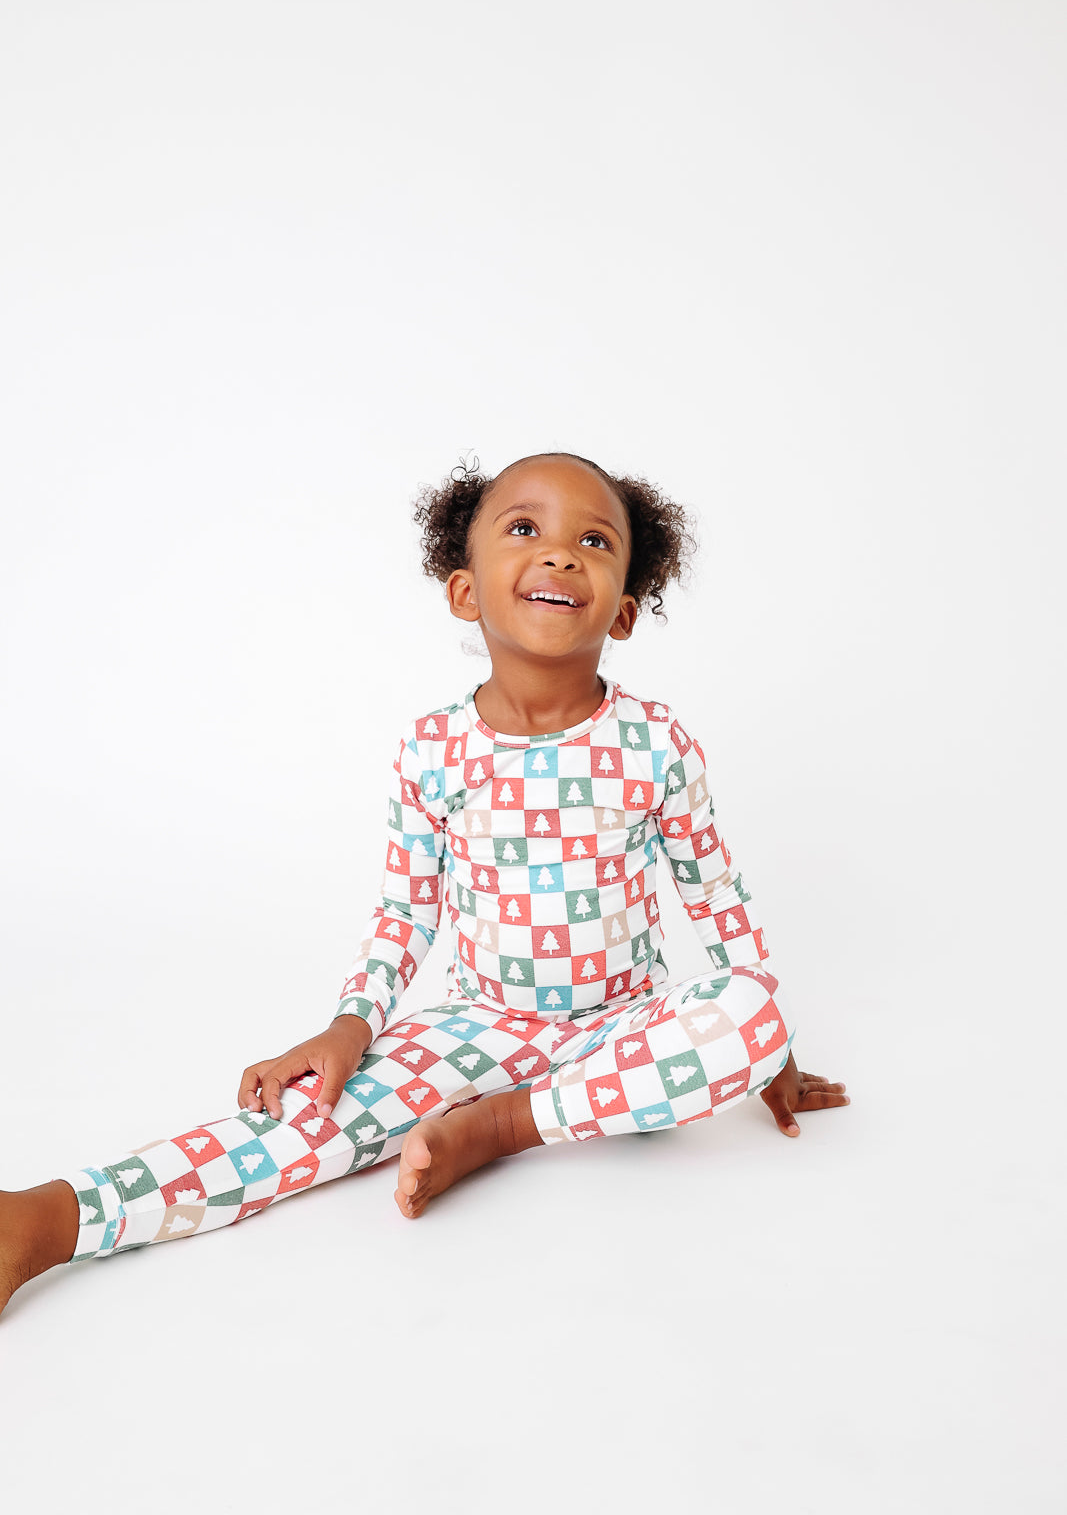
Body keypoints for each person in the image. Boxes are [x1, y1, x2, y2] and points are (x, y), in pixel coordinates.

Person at [0, 451, 848, 1314]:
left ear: (623, 610)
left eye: (593, 541)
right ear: (464, 592)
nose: (559, 554)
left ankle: (503, 1126)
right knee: (308, 1119)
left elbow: (713, 893)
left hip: (623, 1030)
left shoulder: (657, 743)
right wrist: (349, 1024)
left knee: (754, 1013)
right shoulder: (432, 750)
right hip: (477, 1026)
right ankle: (47, 1221)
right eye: (524, 529)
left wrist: (771, 1052)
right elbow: (407, 910)